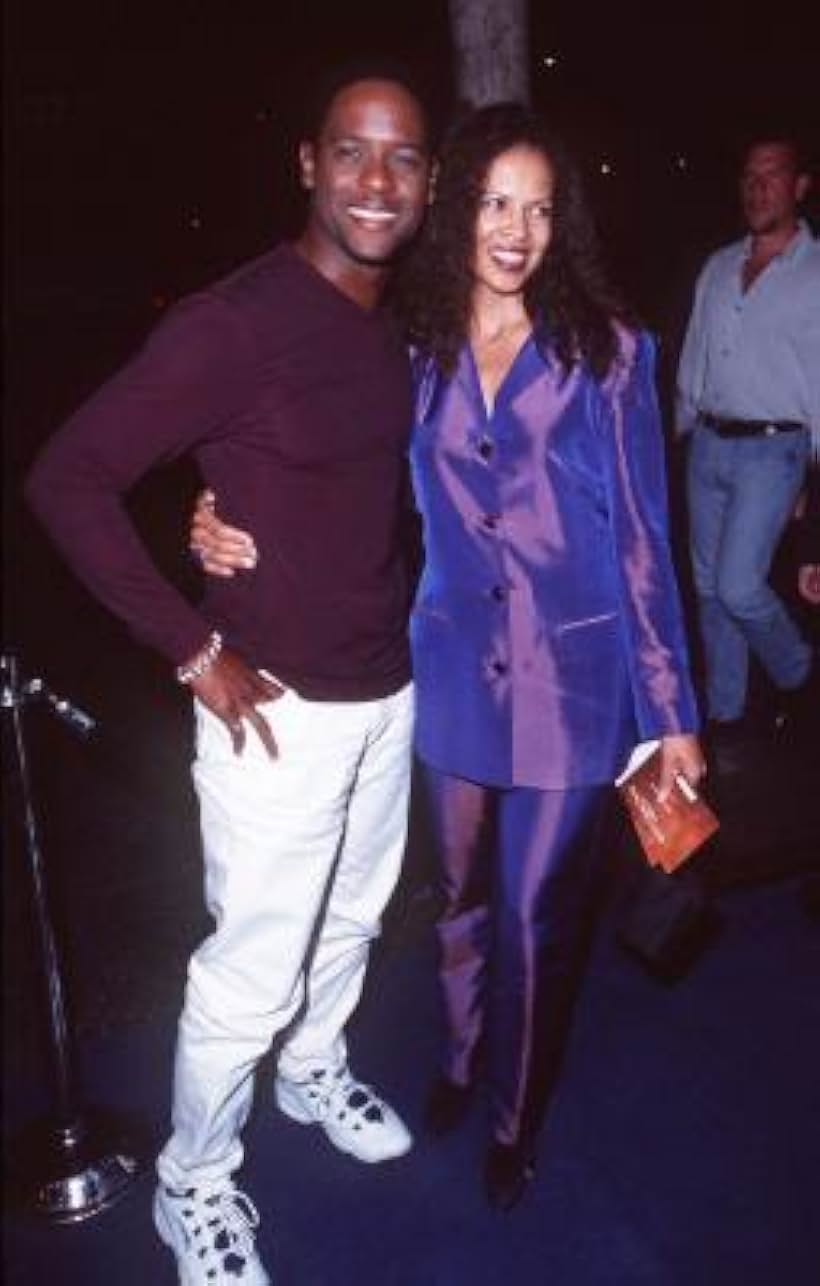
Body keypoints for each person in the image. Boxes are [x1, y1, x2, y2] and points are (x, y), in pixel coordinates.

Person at [191, 102, 704, 1212]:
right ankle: (462, 1059)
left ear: (561, 226)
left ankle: (515, 1118)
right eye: (492, 202)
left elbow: (643, 536)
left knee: (530, 917)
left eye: (538, 208)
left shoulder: (607, 350)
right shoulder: (407, 347)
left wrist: (673, 710)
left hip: (576, 687)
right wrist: (214, 506)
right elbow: (322, 462)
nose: (515, 229)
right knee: (459, 898)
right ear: (457, 212)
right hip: (451, 672)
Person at [26, 70, 433, 1286]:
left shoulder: (392, 322)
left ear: (425, 183)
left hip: (386, 692)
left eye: (403, 159)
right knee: (247, 970)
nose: (376, 180)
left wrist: (226, 508)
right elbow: (69, 479)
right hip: (277, 716)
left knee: (352, 920)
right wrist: (193, 646)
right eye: (353, 153)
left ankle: (314, 1067)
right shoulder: (234, 320)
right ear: (307, 163)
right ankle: (193, 1184)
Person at [676, 134, 820, 752]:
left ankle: (800, 674)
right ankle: (727, 716)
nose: (758, 187)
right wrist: (680, 433)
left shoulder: (815, 274)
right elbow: (693, 359)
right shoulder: (717, 265)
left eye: (773, 175)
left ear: (800, 186)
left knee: (739, 585)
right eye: (749, 175)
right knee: (708, 592)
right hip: (707, 442)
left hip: (774, 448)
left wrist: (813, 487)